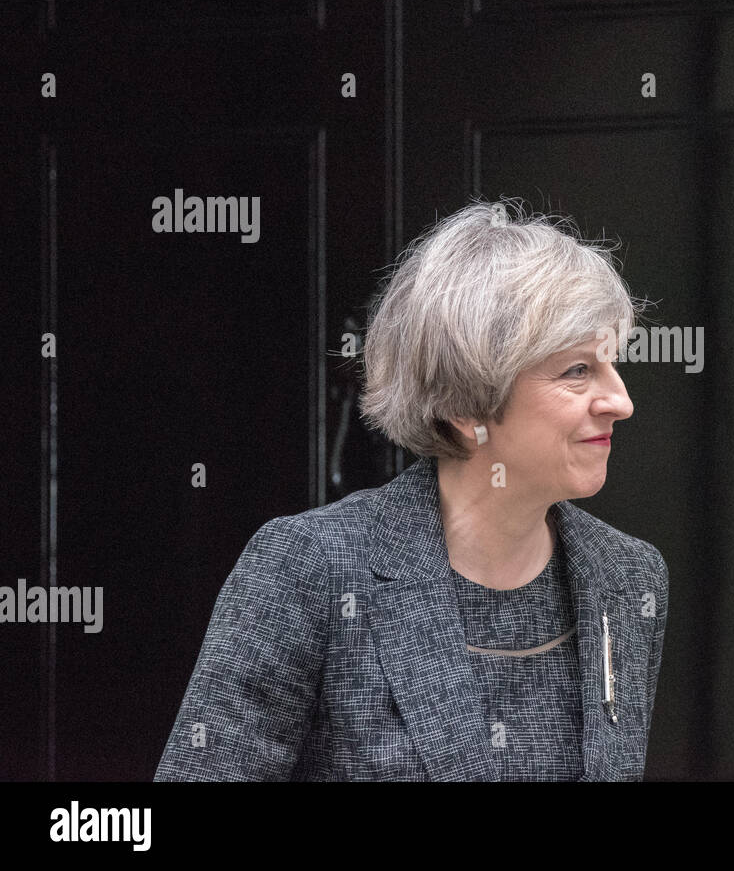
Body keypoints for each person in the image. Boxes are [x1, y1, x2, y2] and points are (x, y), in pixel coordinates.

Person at [154, 198, 668, 781]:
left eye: (613, 364)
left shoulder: (627, 578)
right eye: (578, 371)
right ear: (461, 401)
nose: (621, 402)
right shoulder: (310, 568)